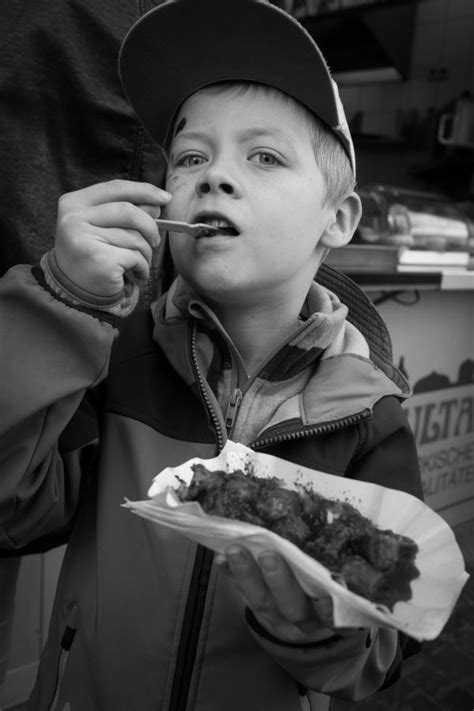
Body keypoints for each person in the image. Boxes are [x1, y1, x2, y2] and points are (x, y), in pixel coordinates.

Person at [0, 0, 423, 709]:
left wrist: (324, 631)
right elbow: (14, 507)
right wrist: (60, 304)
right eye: (191, 156)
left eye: (263, 155)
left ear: (338, 218)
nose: (213, 176)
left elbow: (384, 645)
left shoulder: (371, 416)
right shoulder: (117, 356)